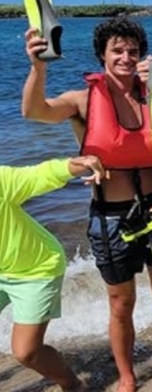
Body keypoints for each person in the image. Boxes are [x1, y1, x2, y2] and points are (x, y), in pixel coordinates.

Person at [22, 18, 152, 392]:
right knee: (121, 303)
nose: (126, 57)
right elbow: (34, 111)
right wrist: (38, 67)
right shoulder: (82, 100)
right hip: (110, 219)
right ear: (102, 54)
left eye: (133, 50)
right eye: (117, 50)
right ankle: (128, 376)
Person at [1, 154, 106, 391]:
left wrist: (77, 165)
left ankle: (72, 384)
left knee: (26, 352)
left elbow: (39, 174)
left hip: (35, 270)